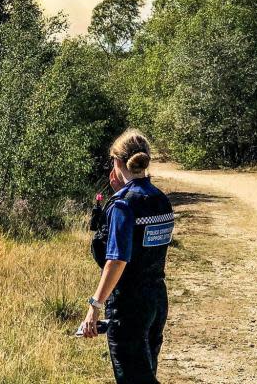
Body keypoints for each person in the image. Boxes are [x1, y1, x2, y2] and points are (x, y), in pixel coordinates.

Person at [80, 128, 174, 384]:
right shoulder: (160, 200)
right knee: (146, 370)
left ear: (118, 162)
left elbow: (117, 260)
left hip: (129, 304)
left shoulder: (122, 205)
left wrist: (95, 307)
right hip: (157, 298)